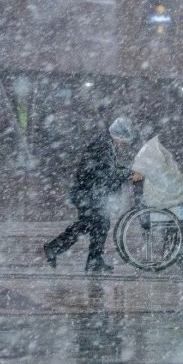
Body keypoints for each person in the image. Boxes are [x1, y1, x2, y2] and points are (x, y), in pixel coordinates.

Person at [43, 116, 139, 272]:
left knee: (92, 225)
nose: (124, 143)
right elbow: (108, 174)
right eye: (124, 139)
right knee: (96, 225)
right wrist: (128, 175)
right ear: (119, 135)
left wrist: (128, 171)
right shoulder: (104, 146)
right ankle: (84, 257)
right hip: (89, 194)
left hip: (90, 194)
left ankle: (86, 258)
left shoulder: (107, 144)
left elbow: (108, 170)